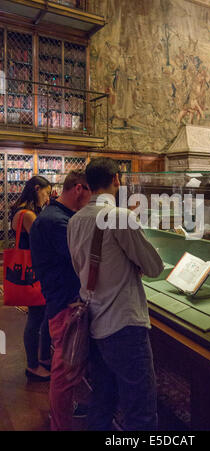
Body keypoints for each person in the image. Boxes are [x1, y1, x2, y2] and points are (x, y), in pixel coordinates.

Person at [67, 157, 164, 431]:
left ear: (88, 183)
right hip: (124, 323)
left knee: (102, 399)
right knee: (140, 408)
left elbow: (80, 268)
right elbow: (154, 267)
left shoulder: (74, 221)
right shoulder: (122, 217)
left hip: (94, 322)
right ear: (117, 180)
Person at [29, 170, 91, 431]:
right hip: (66, 304)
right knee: (65, 372)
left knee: (68, 367)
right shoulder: (57, 222)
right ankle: (61, 424)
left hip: (62, 301)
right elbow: (80, 261)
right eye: (91, 193)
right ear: (78, 189)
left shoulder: (56, 216)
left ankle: (64, 415)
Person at [11, 176, 52, 381]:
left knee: (39, 316)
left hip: (29, 270)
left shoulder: (20, 210)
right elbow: (42, 241)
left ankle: (41, 358)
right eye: (45, 193)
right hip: (33, 271)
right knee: (36, 317)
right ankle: (34, 365)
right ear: (36, 189)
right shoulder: (28, 215)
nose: (47, 198)